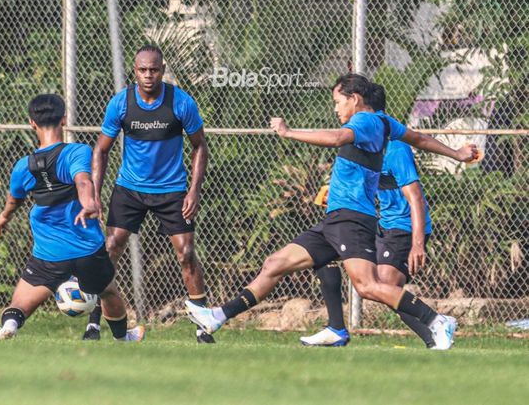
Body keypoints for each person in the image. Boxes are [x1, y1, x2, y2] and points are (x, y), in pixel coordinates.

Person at [186, 74, 478, 350]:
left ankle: (436, 321)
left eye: (338, 101)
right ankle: (219, 316)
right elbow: (420, 139)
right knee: (275, 263)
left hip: (352, 218)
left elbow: (338, 138)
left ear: (355, 99)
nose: (336, 108)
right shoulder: (385, 123)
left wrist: (288, 132)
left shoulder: (364, 120)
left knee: (367, 286)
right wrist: (457, 154)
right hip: (336, 218)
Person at [83, 44, 212, 343]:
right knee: (110, 248)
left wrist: (194, 190)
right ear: (135, 71)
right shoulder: (122, 103)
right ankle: (94, 323)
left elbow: (199, 146)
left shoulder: (180, 102)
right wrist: (95, 196)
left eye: (154, 69)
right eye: (142, 70)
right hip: (130, 189)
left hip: (172, 190)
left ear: (162, 71)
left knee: (187, 253)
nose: (148, 75)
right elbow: (101, 150)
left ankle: (203, 326)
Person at [0, 94, 144, 342]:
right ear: (64, 119)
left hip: (49, 253)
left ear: (32, 123)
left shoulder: (23, 166)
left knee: (19, 303)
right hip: (86, 249)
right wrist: (89, 202)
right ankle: (122, 337)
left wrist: (4, 217)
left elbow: (14, 199)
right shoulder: (76, 152)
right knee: (108, 292)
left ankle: (9, 326)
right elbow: (82, 180)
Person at [301, 83, 436, 348]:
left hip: (403, 227)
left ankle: (436, 330)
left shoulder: (396, 148)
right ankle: (336, 327)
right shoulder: (367, 143)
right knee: (375, 285)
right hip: (382, 225)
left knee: (383, 286)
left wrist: (418, 243)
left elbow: (416, 197)